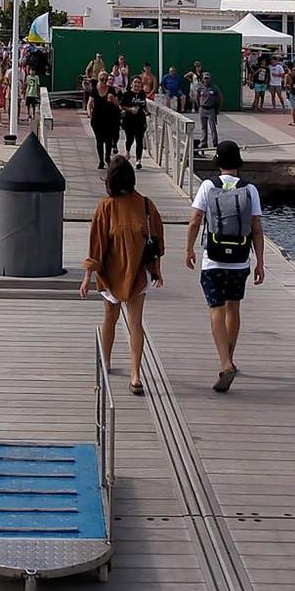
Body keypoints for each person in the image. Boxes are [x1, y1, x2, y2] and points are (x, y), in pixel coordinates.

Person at [79, 156, 165, 396]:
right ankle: (131, 372)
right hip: (136, 272)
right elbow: (156, 241)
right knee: (131, 321)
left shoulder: (106, 207)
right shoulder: (146, 205)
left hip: (113, 272)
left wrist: (88, 275)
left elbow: (96, 245)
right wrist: (157, 269)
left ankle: (115, 365)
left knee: (115, 317)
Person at [183, 140, 264, 393]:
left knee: (215, 308)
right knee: (233, 308)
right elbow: (257, 229)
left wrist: (188, 249)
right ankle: (229, 358)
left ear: (218, 163)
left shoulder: (208, 186)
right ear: (238, 163)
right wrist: (260, 262)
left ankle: (225, 362)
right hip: (240, 260)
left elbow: (195, 219)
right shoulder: (250, 190)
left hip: (214, 258)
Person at [88, 82, 121, 170]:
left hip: (109, 119)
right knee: (99, 140)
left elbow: (117, 104)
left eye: (105, 79)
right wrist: (89, 114)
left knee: (108, 140)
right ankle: (101, 161)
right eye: (101, 79)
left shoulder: (111, 90)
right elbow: (90, 103)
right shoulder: (94, 91)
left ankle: (107, 156)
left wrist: (113, 99)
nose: (103, 81)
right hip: (97, 119)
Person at [120, 83, 148, 167]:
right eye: (135, 82)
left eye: (139, 83)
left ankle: (138, 160)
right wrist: (130, 109)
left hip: (140, 119)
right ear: (132, 84)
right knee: (130, 139)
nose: (137, 84)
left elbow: (144, 104)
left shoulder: (142, 94)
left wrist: (147, 111)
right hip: (129, 119)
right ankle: (128, 151)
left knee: (139, 140)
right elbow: (121, 106)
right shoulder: (127, 94)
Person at [195, 70, 222, 152]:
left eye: (208, 78)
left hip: (211, 109)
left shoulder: (214, 88)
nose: (206, 80)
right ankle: (204, 142)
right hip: (202, 109)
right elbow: (197, 96)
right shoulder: (200, 87)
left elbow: (220, 98)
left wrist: (218, 108)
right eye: (205, 78)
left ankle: (215, 143)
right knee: (203, 127)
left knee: (212, 127)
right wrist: (199, 106)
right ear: (203, 79)